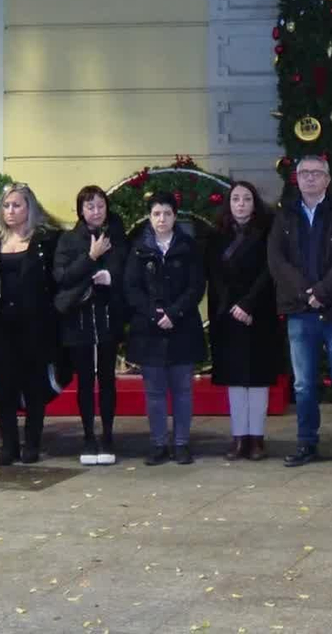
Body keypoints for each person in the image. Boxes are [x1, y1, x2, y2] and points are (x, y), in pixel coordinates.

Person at [268, 155, 332, 468]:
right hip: (300, 312)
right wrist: (305, 293)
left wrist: (322, 292)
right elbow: (277, 260)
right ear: (297, 179)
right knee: (303, 384)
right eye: (304, 173)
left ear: (327, 179)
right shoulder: (285, 215)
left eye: (316, 173)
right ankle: (306, 443)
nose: (310, 178)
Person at [0, 183, 61, 466]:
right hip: (0, 326)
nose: (10, 211)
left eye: (16, 205)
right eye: (6, 206)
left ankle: (32, 443)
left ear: (29, 208)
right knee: (4, 387)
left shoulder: (46, 240)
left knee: (34, 386)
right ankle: (9, 444)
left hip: (34, 324)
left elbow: (56, 282)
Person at [126, 192, 207, 467]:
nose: (162, 219)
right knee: (155, 392)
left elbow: (196, 286)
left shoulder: (188, 247)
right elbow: (131, 287)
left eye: (167, 214)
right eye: (156, 214)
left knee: (183, 390)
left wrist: (174, 313)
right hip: (149, 330)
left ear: (175, 216)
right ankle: (158, 443)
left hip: (182, 327)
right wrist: (153, 313)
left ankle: (181, 443)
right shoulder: (139, 248)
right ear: (149, 217)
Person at [54, 185, 129, 465]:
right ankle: (88, 436)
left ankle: (108, 435)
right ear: (81, 210)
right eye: (90, 207)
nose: (96, 212)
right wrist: (91, 257)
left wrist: (111, 277)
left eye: (100, 206)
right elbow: (62, 276)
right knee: (85, 381)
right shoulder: (68, 239)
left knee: (107, 379)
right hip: (79, 319)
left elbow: (127, 269)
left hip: (108, 317)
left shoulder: (117, 235)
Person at [206, 181, 281, 462]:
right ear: (228, 203)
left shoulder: (268, 232)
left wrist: (248, 304)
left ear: (254, 203)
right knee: (235, 380)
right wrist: (232, 307)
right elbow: (214, 275)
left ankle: (257, 438)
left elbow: (270, 271)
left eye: (246, 199)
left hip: (259, 314)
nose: (241, 204)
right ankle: (239, 438)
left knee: (258, 380)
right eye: (235, 199)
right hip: (227, 316)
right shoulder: (215, 235)